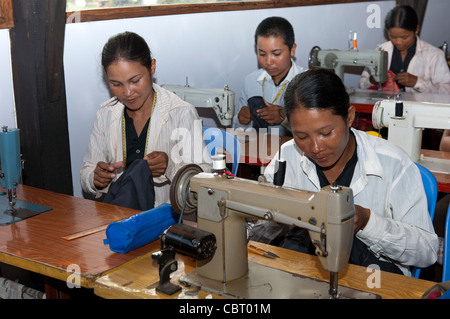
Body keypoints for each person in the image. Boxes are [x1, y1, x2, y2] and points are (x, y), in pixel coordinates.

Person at [264, 68, 438, 276]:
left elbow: (426, 252)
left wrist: (368, 222)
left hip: (375, 279)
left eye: (326, 133)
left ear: (349, 117)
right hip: (304, 274)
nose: (316, 147)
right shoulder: (287, 156)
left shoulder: (394, 164)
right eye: (301, 136)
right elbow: (261, 224)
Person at [80, 31, 210, 207]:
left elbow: (204, 182)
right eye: (116, 84)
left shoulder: (181, 113)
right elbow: (87, 171)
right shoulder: (105, 114)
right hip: (118, 216)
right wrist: (95, 179)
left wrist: (170, 166)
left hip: (163, 220)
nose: (127, 92)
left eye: (135, 80)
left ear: (152, 67)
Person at [233, 16, 304, 136]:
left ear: (292, 50)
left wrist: (285, 119)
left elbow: (315, 129)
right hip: (259, 149)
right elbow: (238, 131)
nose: (268, 61)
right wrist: (241, 121)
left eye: (276, 54)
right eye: (262, 54)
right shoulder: (250, 81)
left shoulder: (305, 82)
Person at [359, 5, 450, 94]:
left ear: (416, 29)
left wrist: (417, 83)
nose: (398, 42)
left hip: (419, 108)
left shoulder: (434, 55)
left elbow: (446, 91)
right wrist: (372, 80)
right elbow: (362, 85)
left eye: (404, 37)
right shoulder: (380, 51)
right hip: (387, 106)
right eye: (393, 36)